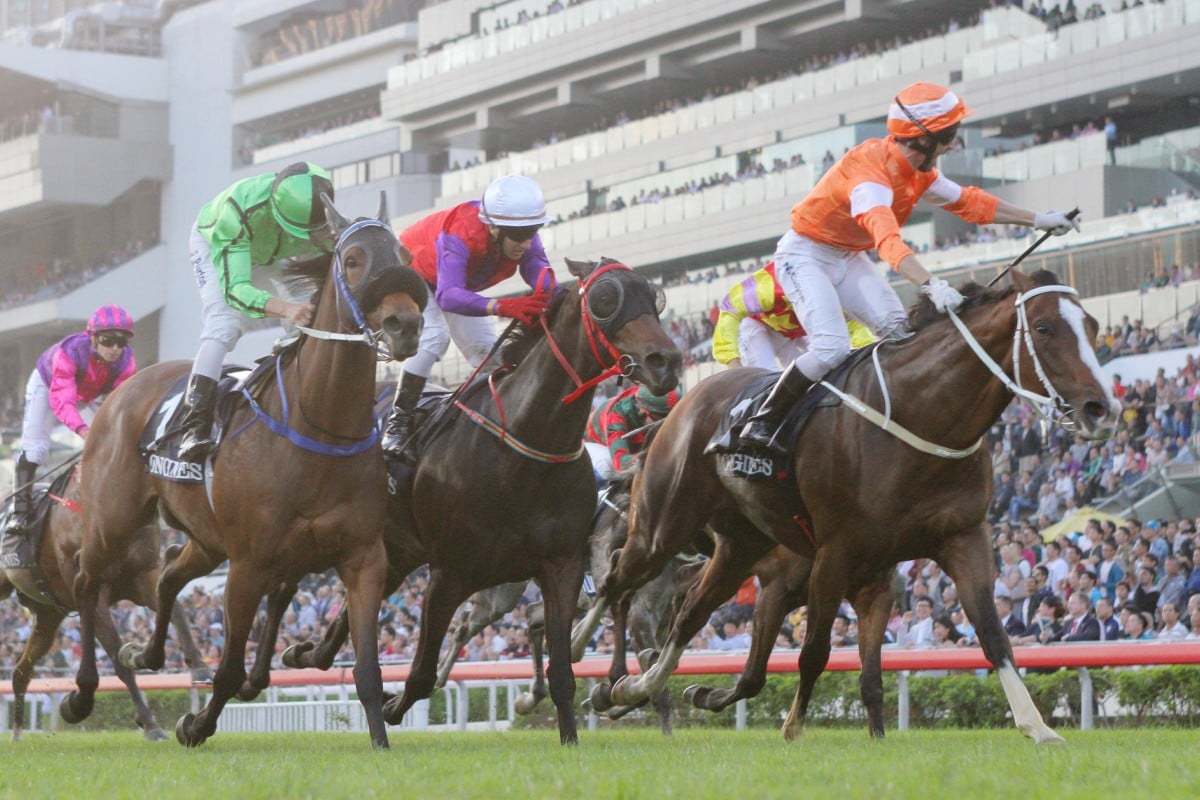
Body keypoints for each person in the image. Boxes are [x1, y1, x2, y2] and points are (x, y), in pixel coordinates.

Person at [738, 82, 1079, 454]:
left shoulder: (919, 171)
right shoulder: (870, 177)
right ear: (921, 138)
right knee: (832, 348)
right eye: (948, 134)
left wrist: (1038, 220)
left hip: (847, 257)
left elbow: (969, 203)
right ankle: (760, 419)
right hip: (803, 257)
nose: (952, 143)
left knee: (901, 335)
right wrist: (930, 284)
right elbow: (887, 242)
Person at [380, 174, 556, 457]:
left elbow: (540, 272)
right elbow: (448, 296)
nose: (526, 242)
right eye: (520, 235)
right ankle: (396, 425)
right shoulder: (462, 233)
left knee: (488, 356)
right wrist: (502, 307)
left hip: (454, 283)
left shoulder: (522, 235)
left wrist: (548, 297)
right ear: (495, 229)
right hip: (414, 272)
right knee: (435, 337)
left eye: (533, 231)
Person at [178, 161, 338, 461]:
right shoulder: (238, 212)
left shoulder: (321, 216)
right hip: (221, 243)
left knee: (312, 317)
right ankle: (193, 426)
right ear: (277, 212)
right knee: (224, 325)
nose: (312, 235)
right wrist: (285, 308)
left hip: (277, 252)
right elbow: (236, 291)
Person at [7, 305, 136, 536]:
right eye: (108, 340)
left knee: (111, 444)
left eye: (122, 341)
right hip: (48, 387)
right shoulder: (70, 351)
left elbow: (121, 405)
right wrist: (83, 430)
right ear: (93, 337)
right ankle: (19, 511)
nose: (115, 348)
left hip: (87, 394)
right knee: (36, 449)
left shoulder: (126, 362)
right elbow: (62, 402)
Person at [710, 261, 874, 369]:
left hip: (792, 333)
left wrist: (870, 356)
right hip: (756, 326)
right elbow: (729, 306)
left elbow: (858, 331)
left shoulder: (838, 291)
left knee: (819, 375)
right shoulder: (769, 285)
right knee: (766, 377)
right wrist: (734, 364)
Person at [584, 383, 681, 482]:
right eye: (661, 418)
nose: (667, 424)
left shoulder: (647, 403)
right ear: (643, 412)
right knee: (607, 468)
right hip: (593, 443)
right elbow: (621, 463)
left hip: (631, 442)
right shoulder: (616, 418)